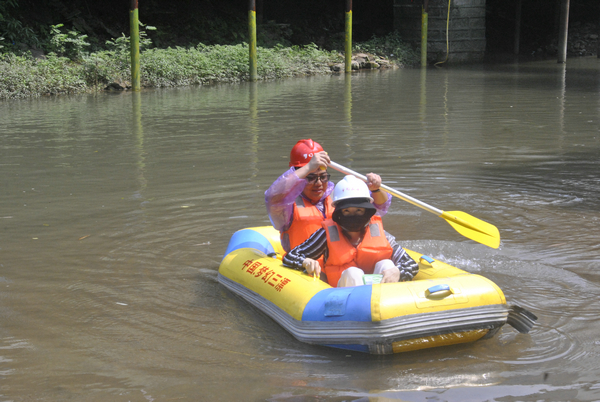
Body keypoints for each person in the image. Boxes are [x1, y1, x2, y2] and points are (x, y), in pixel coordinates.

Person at [282, 175, 419, 287]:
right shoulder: (325, 235)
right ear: (339, 212)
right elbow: (291, 256)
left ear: (366, 211)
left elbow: (411, 264)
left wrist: (398, 271)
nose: (353, 215)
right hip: (344, 297)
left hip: (382, 298)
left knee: (387, 265)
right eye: (347, 211)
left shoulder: (380, 233)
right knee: (353, 273)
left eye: (359, 210)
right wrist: (306, 262)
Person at [264, 139, 391, 254]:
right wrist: (308, 167)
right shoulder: (286, 205)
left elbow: (379, 207)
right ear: (300, 177)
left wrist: (376, 189)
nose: (318, 183)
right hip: (303, 265)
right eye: (311, 177)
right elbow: (272, 197)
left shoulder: (338, 193)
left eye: (323, 177)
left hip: (340, 263)